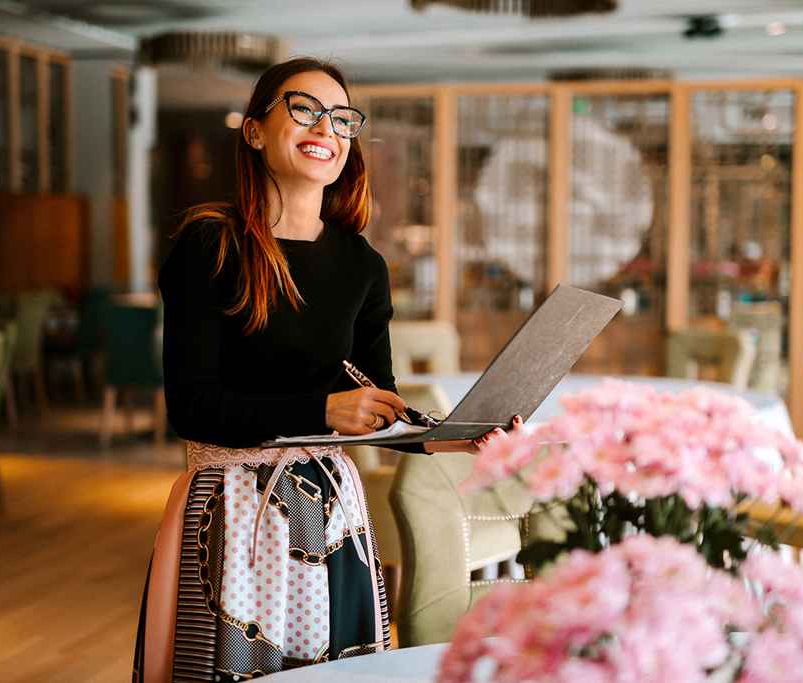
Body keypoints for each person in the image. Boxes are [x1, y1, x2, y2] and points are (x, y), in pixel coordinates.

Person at [132, 57, 518, 682]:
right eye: (304, 109)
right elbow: (192, 406)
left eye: (342, 117)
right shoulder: (211, 244)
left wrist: (454, 436)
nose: (326, 127)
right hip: (232, 512)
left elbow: (376, 398)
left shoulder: (362, 265)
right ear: (255, 131)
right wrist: (320, 411)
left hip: (332, 516)